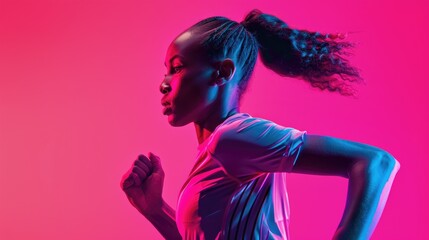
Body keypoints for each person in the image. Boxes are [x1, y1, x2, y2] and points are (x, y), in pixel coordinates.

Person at [120, 9, 400, 240]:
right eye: (166, 71)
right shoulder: (220, 148)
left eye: (177, 68)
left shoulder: (232, 138)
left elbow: (375, 162)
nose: (163, 84)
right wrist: (155, 209)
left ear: (223, 73)